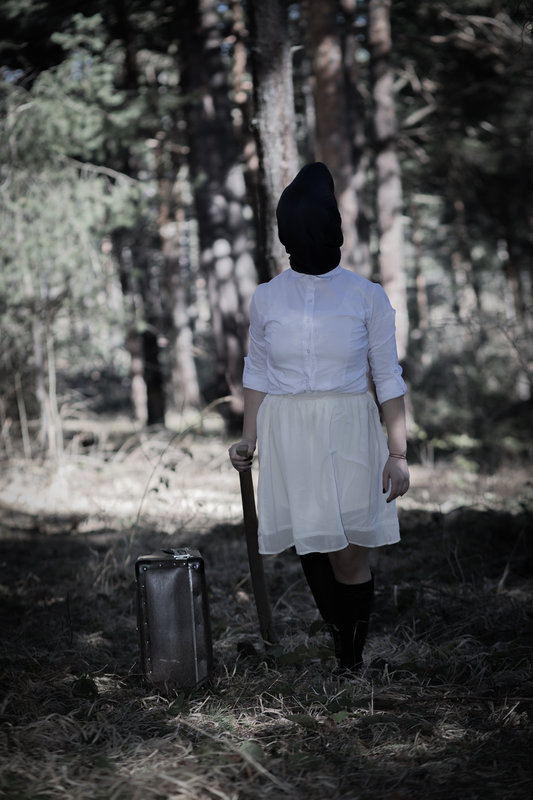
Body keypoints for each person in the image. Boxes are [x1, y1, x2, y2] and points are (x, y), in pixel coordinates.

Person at [229, 162, 409, 672]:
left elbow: (388, 377)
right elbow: (258, 370)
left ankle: (350, 661)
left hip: (350, 430)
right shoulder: (268, 297)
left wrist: (398, 454)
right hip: (289, 431)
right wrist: (248, 439)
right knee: (311, 542)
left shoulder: (366, 296)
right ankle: (339, 645)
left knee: (348, 550)